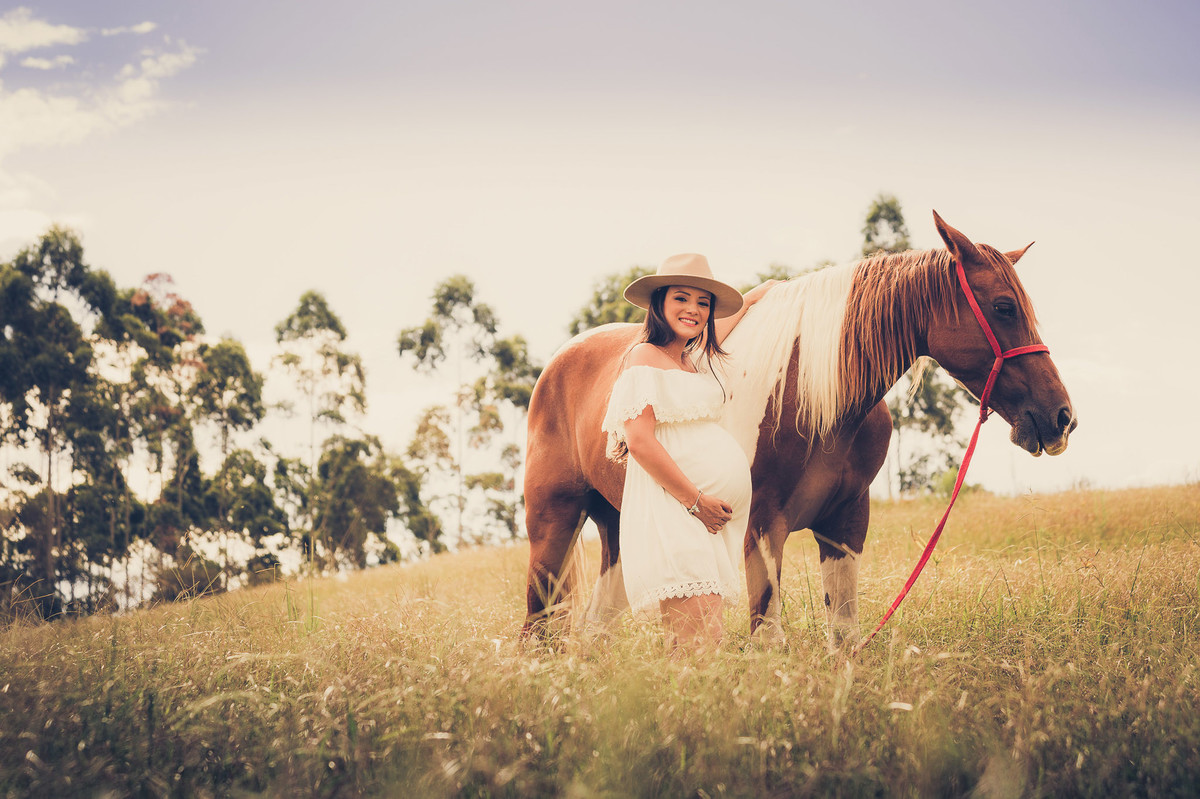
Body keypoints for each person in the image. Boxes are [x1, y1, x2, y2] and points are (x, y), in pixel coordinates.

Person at [601, 253, 778, 649]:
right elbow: (639, 441)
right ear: (659, 302)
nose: (693, 310)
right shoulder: (643, 357)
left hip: (702, 518)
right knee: (700, 639)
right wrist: (696, 502)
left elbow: (723, 323)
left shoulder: (691, 360)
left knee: (703, 639)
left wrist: (757, 295)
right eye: (681, 298)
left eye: (703, 303)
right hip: (677, 509)